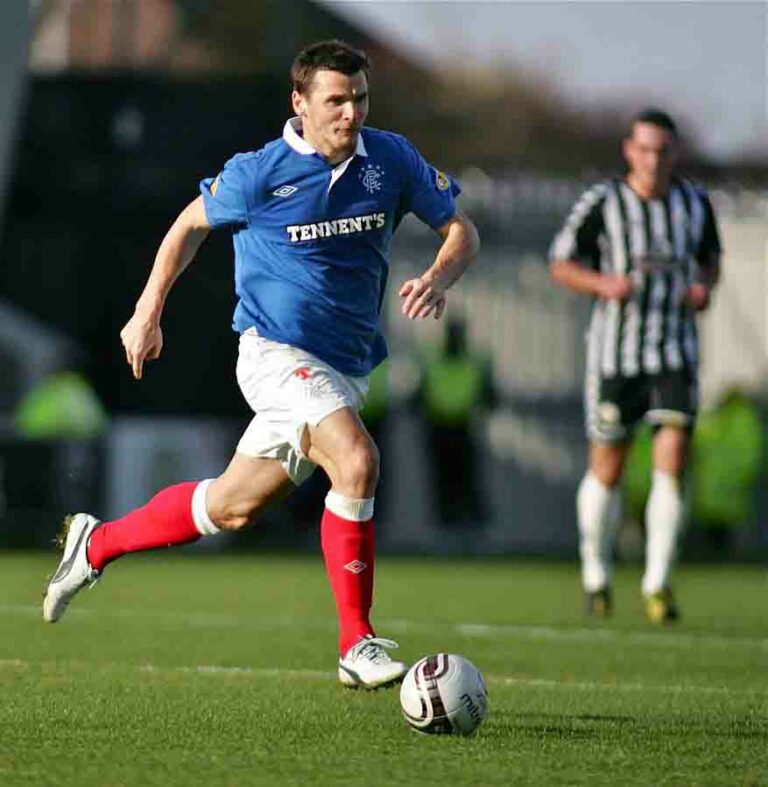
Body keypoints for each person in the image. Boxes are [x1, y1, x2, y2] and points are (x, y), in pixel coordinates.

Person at [42, 40, 480, 687]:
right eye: (337, 100)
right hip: (276, 353)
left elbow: (461, 230)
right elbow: (189, 225)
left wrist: (439, 276)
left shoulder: (390, 158)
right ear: (300, 102)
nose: (352, 113)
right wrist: (147, 309)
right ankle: (355, 643)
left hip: (346, 367)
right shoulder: (259, 172)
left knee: (231, 507)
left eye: (360, 98)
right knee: (356, 460)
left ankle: (95, 543)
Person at [549, 108, 721, 623]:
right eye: (644, 149)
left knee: (674, 457)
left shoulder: (694, 203)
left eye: (662, 150)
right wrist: (602, 284)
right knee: (608, 466)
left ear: (675, 153)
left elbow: (711, 261)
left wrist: (703, 288)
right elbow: (561, 263)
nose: (653, 160)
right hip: (615, 357)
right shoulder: (603, 202)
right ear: (629, 151)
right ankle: (596, 575)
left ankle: (657, 583)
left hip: (674, 351)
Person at [418, 315, 494, 529]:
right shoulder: (435, 360)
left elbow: (489, 396)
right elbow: (421, 394)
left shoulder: (472, 362)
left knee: (466, 480)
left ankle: (469, 524)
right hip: (439, 428)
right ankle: (448, 524)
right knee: (444, 482)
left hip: (463, 428)